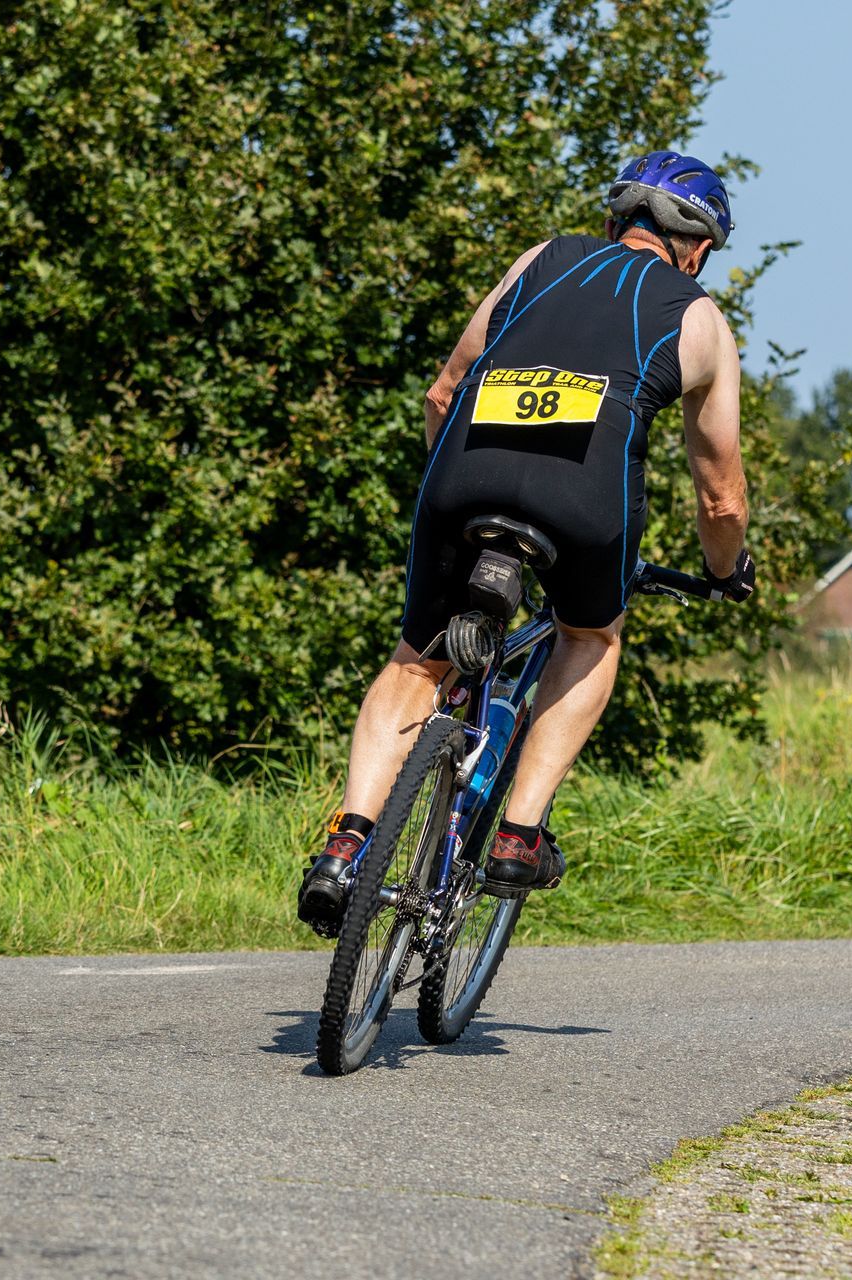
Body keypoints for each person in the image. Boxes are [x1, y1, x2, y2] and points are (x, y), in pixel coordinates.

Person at [298, 150, 756, 936]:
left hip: (466, 469)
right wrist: (724, 573)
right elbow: (721, 496)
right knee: (591, 635)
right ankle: (518, 833)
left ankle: (346, 846)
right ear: (701, 250)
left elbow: (444, 391)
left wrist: (455, 492)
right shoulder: (701, 318)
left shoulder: (543, 258)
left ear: (616, 221)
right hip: (583, 499)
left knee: (417, 661)